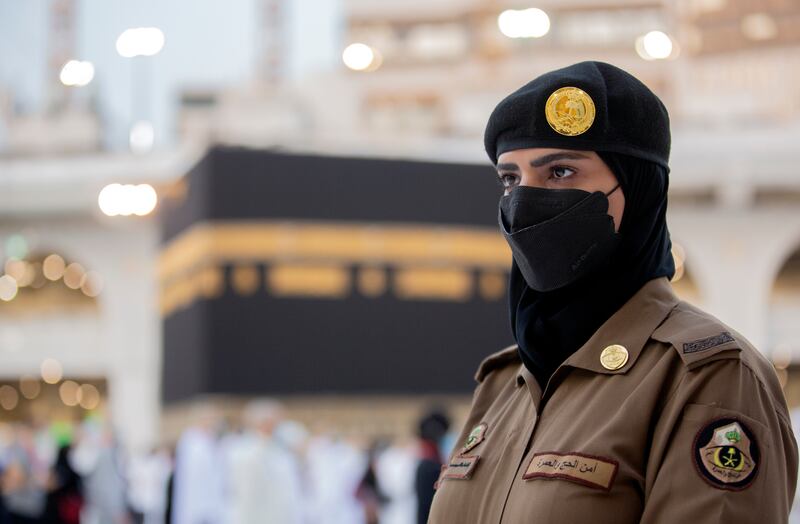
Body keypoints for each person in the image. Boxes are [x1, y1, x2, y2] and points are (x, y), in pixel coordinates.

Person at [428, 61, 798, 523]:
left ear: (639, 191)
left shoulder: (706, 378)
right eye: (510, 179)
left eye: (561, 172)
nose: (524, 200)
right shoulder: (507, 382)